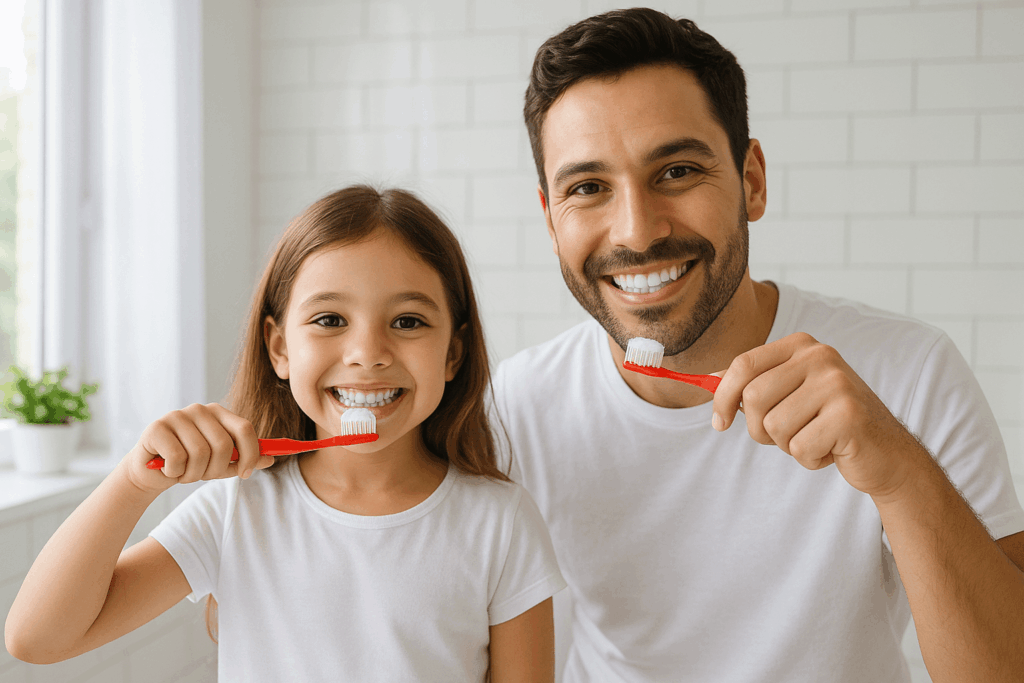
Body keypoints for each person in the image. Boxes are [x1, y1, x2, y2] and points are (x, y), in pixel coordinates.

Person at [491, 8, 1024, 683]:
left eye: (677, 171)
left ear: (752, 180)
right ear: (549, 218)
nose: (637, 230)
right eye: (588, 188)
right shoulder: (520, 402)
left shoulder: (908, 371)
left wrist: (897, 473)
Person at [5, 185, 566, 682]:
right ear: (279, 349)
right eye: (329, 320)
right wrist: (134, 482)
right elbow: (37, 639)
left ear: (454, 353)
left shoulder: (500, 521)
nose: (367, 353)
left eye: (408, 321)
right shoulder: (235, 510)